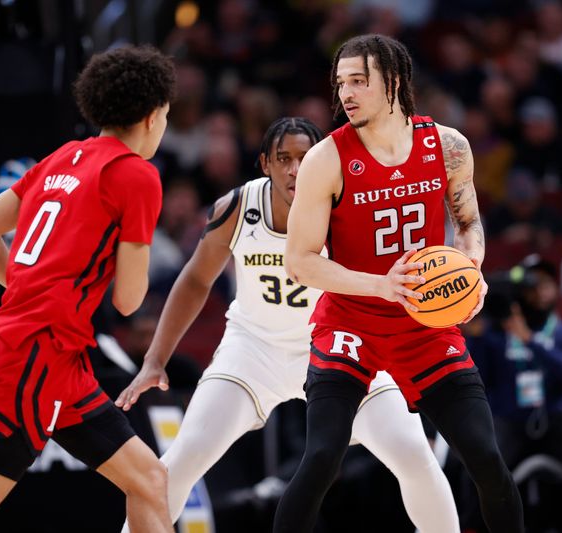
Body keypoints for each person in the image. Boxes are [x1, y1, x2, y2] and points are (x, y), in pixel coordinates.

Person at [116, 117, 460, 532]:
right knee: (184, 456)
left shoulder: (354, 206)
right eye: (283, 158)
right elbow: (195, 280)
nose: (295, 168)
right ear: (265, 163)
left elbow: (388, 285)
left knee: (412, 452)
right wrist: (155, 359)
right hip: (254, 350)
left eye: (304, 158)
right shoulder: (236, 207)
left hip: (340, 348)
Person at [0, 45, 176, 533]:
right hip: (39, 356)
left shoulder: (60, 158)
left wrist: (30, 287)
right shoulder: (137, 175)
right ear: (150, 117)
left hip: (52, 352)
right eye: (166, 117)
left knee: (148, 479)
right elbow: (128, 300)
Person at [271, 34, 523, 533]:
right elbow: (299, 262)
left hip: (424, 323)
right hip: (351, 321)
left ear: (395, 81)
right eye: (341, 82)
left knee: (486, 459)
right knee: (322, 456)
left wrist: (471, 268)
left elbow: (469, 223)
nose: (347, 93)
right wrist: (381, 286)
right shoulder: (327, 158)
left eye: (360, 81)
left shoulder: (448, 146)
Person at [471, 257, 562, 532]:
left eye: (546, 283)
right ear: (520, 292)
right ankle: (470, 526)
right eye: (532, 284)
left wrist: (530, 341)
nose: (540, 290)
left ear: (556, 289)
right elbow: (478, 378)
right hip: (510, 421)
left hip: (556, 418)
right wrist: (477, 335)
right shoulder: (496, 335)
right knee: (475, 451)